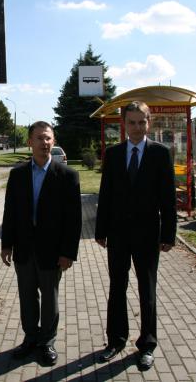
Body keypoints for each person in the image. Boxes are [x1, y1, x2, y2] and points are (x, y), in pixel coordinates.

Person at [95, 101, 177, 371]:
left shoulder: (161, 154)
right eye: (131, 122)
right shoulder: (115, 154)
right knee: (117, 288)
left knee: (147, 291)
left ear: (149, 122)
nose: (137, 127)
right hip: (117, 235)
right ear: (124, 124)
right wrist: (100, 230)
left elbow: (167, 198)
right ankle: (116, 340)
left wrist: (169, 234)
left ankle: (147, 345)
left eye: (142, 122)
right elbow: (106, 194)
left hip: (148, 235)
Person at [1, 121, 82, 366]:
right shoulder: (18, 174)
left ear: (53, 141)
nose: (44, 143)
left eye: (48, 138)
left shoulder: (67, 175)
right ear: (30, 142)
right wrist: (6, 245)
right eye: (39, 138)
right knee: (27, 297)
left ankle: (47, 341)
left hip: (53, 251)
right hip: (23, 250)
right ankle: (31, 338)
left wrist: (68, 253)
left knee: (50, 298)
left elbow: (74, 219)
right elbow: (10, 212)